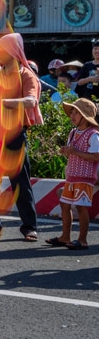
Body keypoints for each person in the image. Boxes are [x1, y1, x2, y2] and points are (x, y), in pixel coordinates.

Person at [0, 33, 42, 242]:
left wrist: (0, 102)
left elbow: (30, 101)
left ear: (12, 52)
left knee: (21, 183)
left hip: (15, 136)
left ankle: (29, 227)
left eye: (2, 50)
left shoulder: (26, 75)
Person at [50, 98, 99, 250]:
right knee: (65, 203)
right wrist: (67, 152)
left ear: (85, 116)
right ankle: (65, 236)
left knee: (80, 207)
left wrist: (74, 152)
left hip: (85, 177)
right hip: (72, 176)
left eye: (76, 112)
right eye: (72, 111)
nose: (72, 115)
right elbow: (74, 153)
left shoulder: (93, 135)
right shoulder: (73, 133)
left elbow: (96, 156)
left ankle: (82, 240)